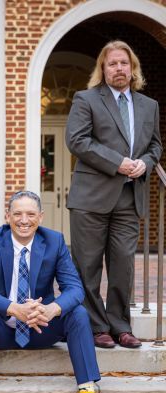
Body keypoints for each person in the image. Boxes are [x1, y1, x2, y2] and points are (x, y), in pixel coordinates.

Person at [0, 191, 118, 393]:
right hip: (1, 329)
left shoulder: (54, 242)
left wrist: (51, 309)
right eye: (18, 214)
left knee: (78, 313)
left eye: (31, 214)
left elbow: (75, 288)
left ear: (41, 217)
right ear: (7, 216)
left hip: (41, 327)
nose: (24, 220)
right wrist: (14, 309)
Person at [66, 40, 162, 349]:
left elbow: (155, 146)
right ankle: (95, 328)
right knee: (88, 266)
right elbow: (77, 140)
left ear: (132, 68)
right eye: (112, 63)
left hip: (129, 196)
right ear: (103, 69)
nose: (118, 68)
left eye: (124, 63)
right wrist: (117, 163)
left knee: (123, 265)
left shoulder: (150, 106)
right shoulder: (86, 99)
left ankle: (121, 326)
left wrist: (144, 164)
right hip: (91, 197)